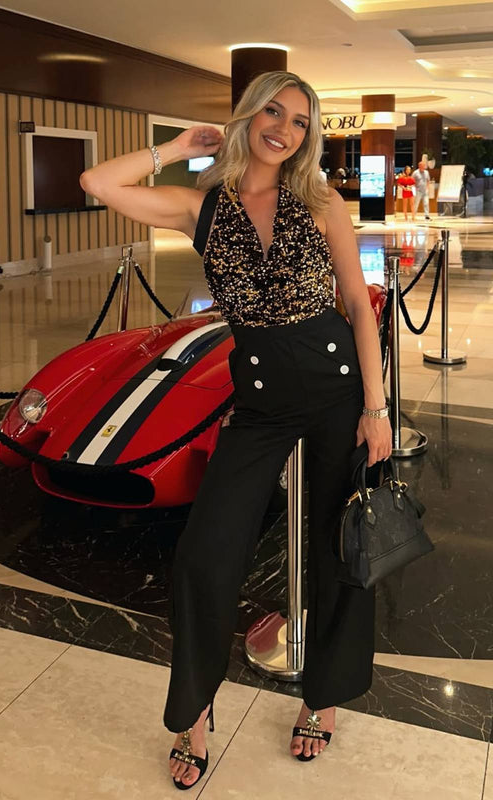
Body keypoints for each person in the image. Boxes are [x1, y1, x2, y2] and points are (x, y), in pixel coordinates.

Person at [80, 70, 392, 791]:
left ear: (309, 137)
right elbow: (98, 182)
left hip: (336, 388)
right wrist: (176, 148)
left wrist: (376, 408)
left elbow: (356, 302)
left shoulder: (320, 202)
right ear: (249, 116)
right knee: (205, 554)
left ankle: (322, 697)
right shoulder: (202, 206)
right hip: (258, 400)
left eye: (300, 121)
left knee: (337, 548)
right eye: (273, 112)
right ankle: (193, 711)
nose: (284, 129)